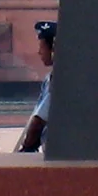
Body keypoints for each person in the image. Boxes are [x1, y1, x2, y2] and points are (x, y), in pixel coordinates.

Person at [17, 21, 56, 152]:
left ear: (53, 50)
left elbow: (40, 120)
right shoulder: (50, 78)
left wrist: (27, 148)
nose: (39, 52)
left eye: (42, 47)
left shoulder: (57, 79)